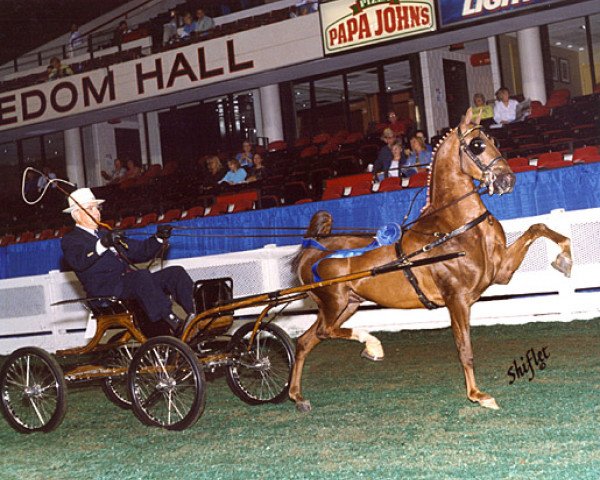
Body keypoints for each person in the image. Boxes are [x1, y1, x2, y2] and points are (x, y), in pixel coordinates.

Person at [60, 188, 195, 336]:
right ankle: (172, 321)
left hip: (130, 284)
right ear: (76, 214)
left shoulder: (106, 234)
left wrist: (158, 238)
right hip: (107, 292)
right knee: (141, 276)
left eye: (97, 208)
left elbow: (140, 251)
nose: (96, 212)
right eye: (90, 209)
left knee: (175, 273)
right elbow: (79, 261)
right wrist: (102, 244)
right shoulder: (71, 240)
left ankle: (197, 317)